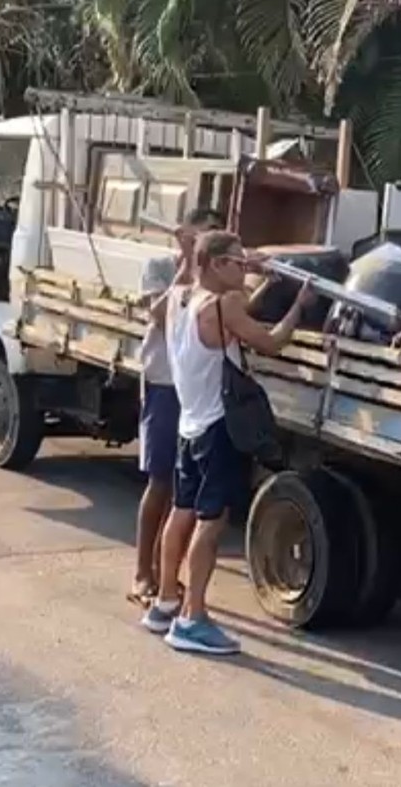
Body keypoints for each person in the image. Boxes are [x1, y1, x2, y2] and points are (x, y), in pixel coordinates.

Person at [142, 230, 311, 654]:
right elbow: (271, 342)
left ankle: (164, 602)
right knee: (210, 523)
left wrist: (257, 274)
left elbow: (216, 325)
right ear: (216, 264)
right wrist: (298, 306)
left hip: (189, 424)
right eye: (237, 262)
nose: (244, 267)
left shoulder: (179, 299)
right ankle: (192, 618)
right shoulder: (224, 305)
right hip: (218, 427)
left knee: (181, 513)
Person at [130, 206, 223, 606]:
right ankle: (142, 574)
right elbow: (158, 314)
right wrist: (187, 265)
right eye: (204, 234)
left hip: (200, 394)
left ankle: (169, 576)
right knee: (160, 481)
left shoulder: (217, 282)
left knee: (187, 495)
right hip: (165, 385)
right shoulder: (161, 267)